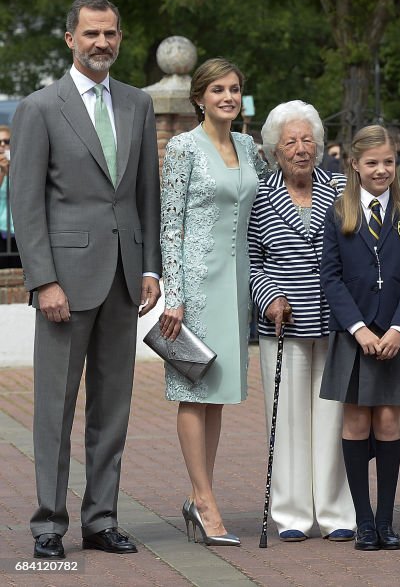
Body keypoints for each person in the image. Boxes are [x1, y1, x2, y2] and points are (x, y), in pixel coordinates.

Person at [10, 0, 161, 559]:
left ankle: (101, 519)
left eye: (112, 33)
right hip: (64, 286)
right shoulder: (40, 107)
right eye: (92, 33)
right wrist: (43, 280)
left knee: (113, 408)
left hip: (124, 280)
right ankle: (48, 524)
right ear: (70, 38)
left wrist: (150, 267)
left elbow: (145, 192)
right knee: (54, 407)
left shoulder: (138, 104)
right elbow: (26, 204)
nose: (103, 43)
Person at [158, 57, 266, 546]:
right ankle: (203, 501)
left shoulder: (247, 145)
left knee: (218, 393)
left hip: (237, 285)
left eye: (234, 89)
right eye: (218, 89)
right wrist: (173, 296)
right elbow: (170, 224)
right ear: (199, 97)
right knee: (192, 390)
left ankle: (202, 493)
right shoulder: (182, 148)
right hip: (196, 288)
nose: (227, 96)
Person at [247, 100, 356, 543]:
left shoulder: (343, 187)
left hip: (335, 322)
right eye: (290, 141)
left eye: (307, 139)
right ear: (275, 149)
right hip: (283, 323)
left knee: (334, 418)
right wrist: (269, 297)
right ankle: (291, 513)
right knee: (286, 419)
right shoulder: (258, 194)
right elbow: (252, 261)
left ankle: (334, 512)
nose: (300, 148)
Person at [319, 125, 400, 551]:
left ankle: (386, 520)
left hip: (394, 336)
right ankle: (363, 521)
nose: (381, 170)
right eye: (372, 163)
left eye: (388, 161)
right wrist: (359, 329)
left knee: (387, 421)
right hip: (355, 335)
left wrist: (399, 329)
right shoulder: (339, 213)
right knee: (357, 421)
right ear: (355, 165)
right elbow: (331, 277)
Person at [0, 124, 17, 268]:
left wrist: (9, 171)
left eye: (6, 142)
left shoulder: (19, 167)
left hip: (17, 230)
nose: (2, 146)